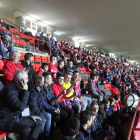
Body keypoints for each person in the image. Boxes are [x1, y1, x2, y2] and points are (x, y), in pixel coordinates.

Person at [0, 70, 42, 140]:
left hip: (15, 116)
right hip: (6, 119)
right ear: (20, 80)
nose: (28, 80)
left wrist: (30, 115)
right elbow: (21, 107)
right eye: (26, 78)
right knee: (25, 130)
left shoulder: (18, 86)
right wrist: (25, 91)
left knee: (38, 123)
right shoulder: (10, 90)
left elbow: (23, 104)